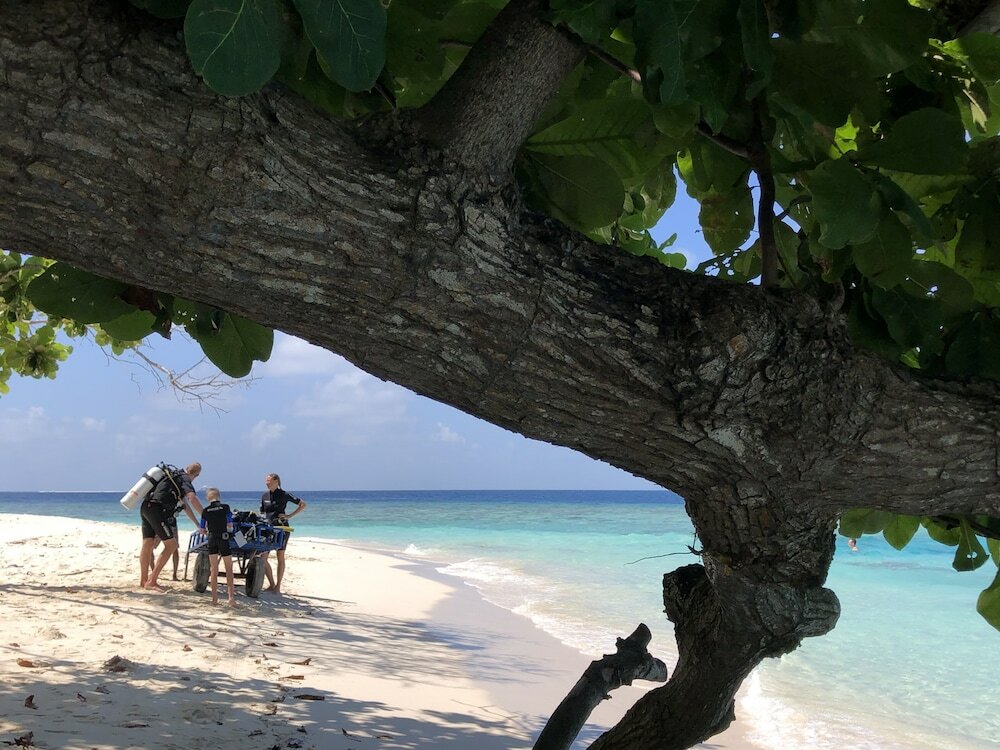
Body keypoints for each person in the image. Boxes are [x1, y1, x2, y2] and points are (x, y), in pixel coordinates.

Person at [140, 462, 204, 592]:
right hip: (158, 511)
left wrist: (197, 523)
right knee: (171, 545)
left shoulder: (172, 477)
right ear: (196, 475)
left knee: (148, 543)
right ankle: (152, 581)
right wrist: (206, 516)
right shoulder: (184, 479)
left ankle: (143, 580)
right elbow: (192, 498)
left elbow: (185, 505)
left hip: (146, 507)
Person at [260, 473, 306, 594]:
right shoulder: (264, 495)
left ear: (276, 481)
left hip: (282, 528)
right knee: (263, 557)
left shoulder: (284, 494)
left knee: (280, 556)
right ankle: (271, 584)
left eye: (269, 480)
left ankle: (278, 587)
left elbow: (303, 504)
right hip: (268, 529)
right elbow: (262, 513)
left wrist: (290, 516)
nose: (266, 482)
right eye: (266, 480)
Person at [199, 487, 237, 607]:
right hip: (223, 538)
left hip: (211, 538)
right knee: (229, 569)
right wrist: (231, 533)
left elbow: (202, 529)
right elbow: (230, 524)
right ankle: (231, 598)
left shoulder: (205, 511)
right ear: (219, 496)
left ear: (207, 498)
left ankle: (214, 599)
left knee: (214, 569)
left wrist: (207, 531)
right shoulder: (225, 507)